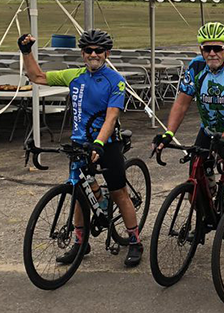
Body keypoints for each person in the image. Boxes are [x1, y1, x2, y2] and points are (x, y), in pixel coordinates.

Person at [19, 30, 144, 267]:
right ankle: (80, 242)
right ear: (82, 54)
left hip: (107, 143)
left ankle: (135, 240)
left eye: (99, 51)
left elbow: (112, 116)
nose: (93, 54)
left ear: (107, 53)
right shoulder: (73, 76)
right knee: (78, 191)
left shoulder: (115, 80)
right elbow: (37, 76)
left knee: (119, 193)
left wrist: (99, 142)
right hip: (79, 144)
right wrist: (26, 52)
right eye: (89, 51)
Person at [152, 21, 224, 262]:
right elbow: (181, 102)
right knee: (196, 181)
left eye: (217, 48)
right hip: (208, 130)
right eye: (206, 48)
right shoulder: (196, 66)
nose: (212, 53)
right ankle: (207, 213)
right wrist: (168, 133)